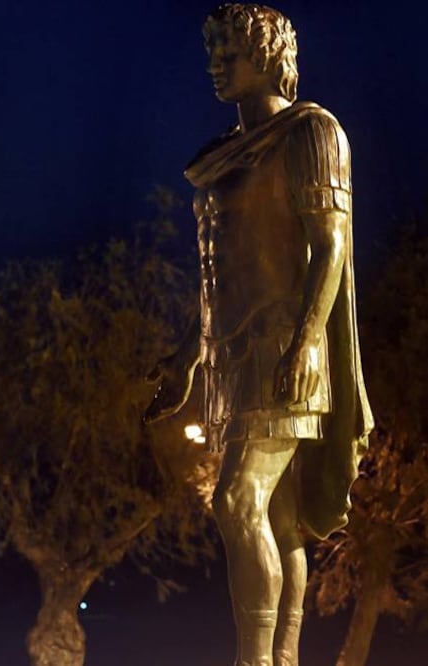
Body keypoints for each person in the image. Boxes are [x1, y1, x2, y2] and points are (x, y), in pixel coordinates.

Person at [144, 5, 372, 665]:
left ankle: (255, 659)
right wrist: (188, 358)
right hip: (230, 355)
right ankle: (281, 658)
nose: (216, 62)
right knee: (275, 516)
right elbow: (222, 275)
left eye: (230, 50)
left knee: (235, 499)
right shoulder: (218, 157)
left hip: (283, 347)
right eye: (212, 49)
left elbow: (329, 247)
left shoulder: (311, 132)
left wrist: (306, 342)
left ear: (267, 55)